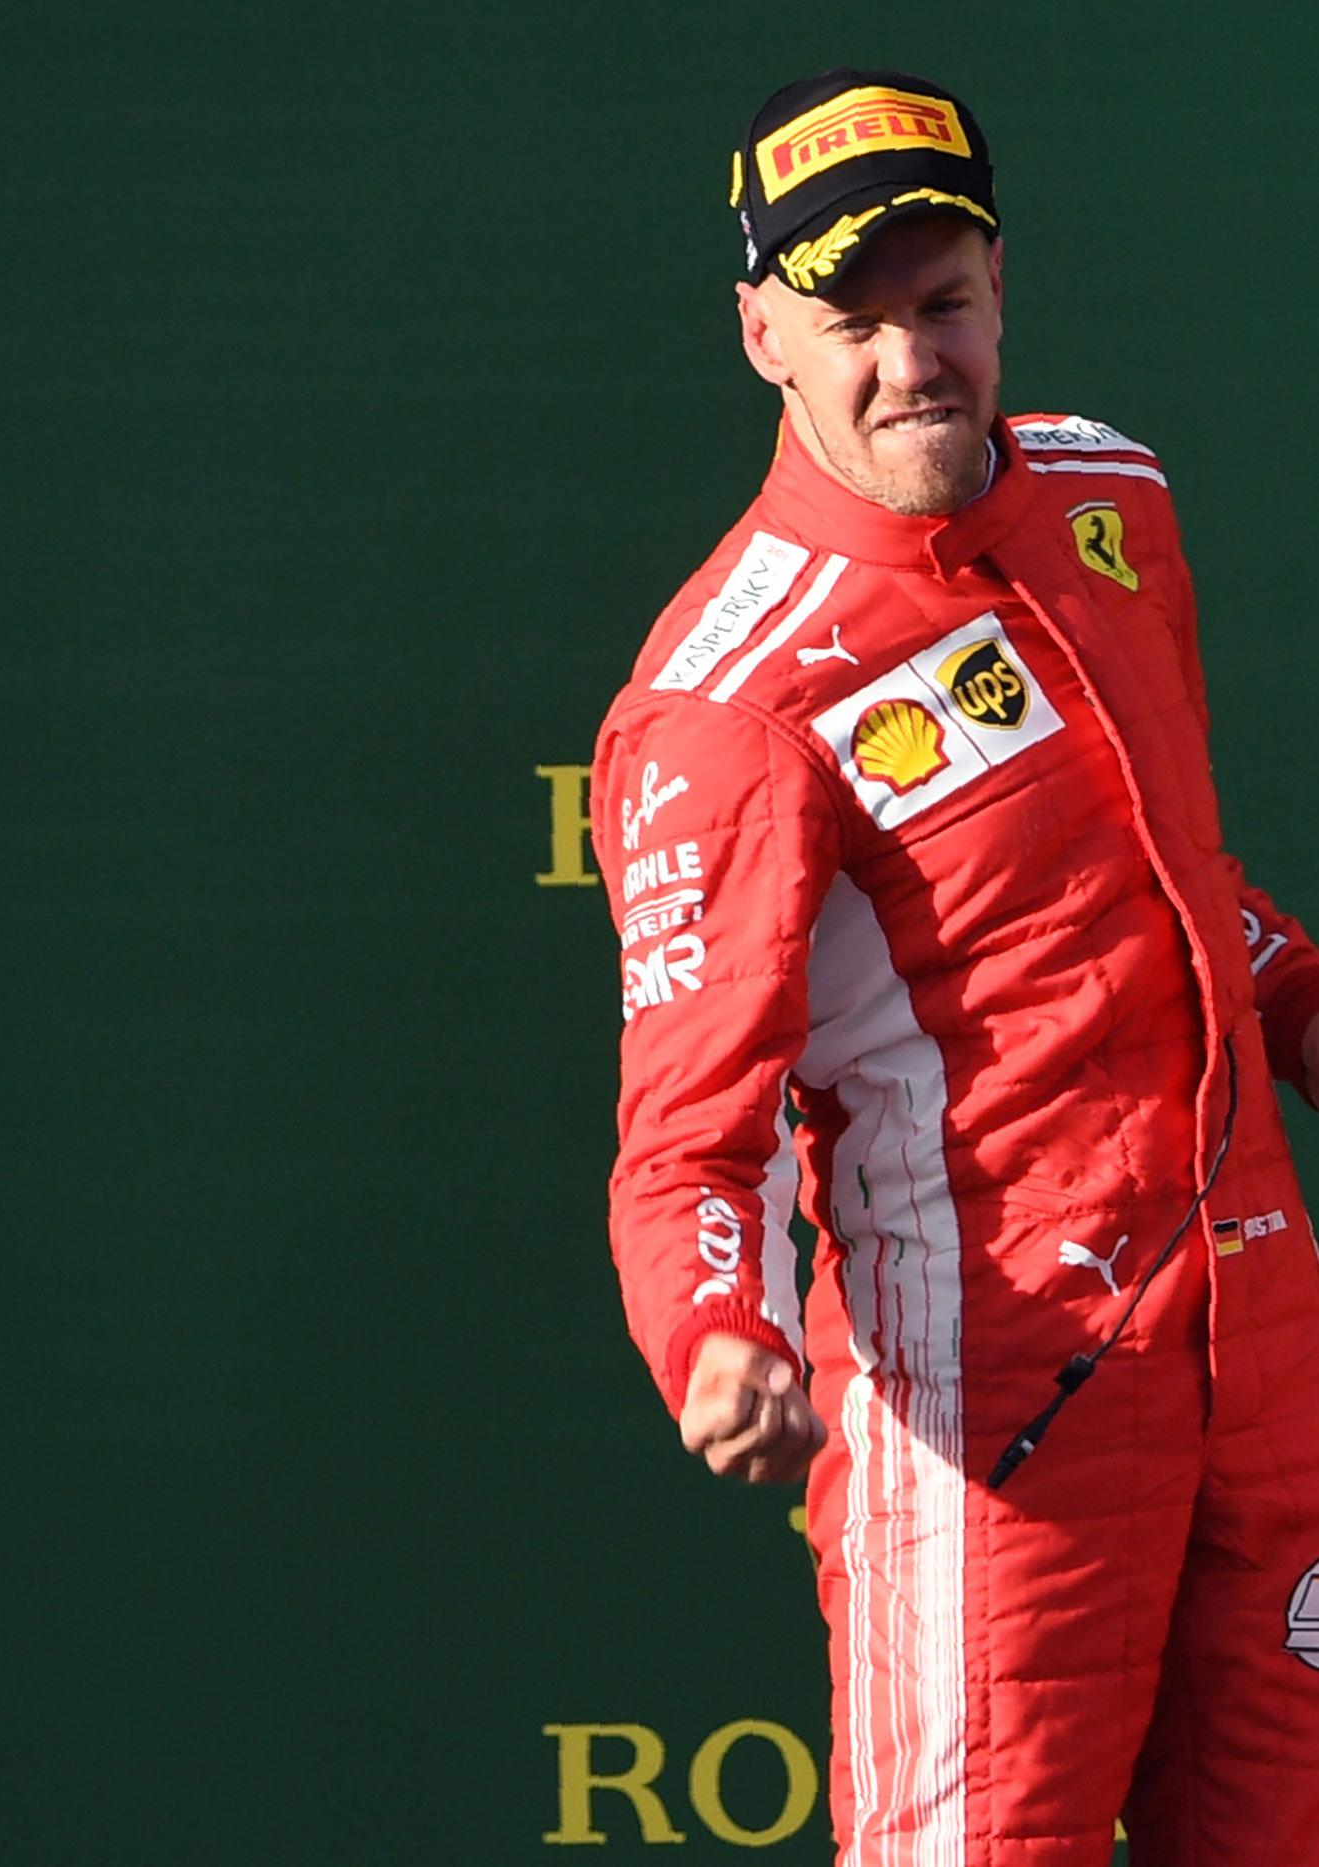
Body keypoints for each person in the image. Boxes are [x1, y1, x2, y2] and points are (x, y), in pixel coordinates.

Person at [595, 70, 1319, 1862]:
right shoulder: (724, 705)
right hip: (999, 1426)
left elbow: (1165, 901)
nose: (910, 359)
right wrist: (716, 1339)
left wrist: (1297, 1000)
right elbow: (688, 1141)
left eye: (941, 304)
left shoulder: (1108, 501)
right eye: (852, 319)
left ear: (999, 289)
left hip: (1261, 1365)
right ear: (762, 332)